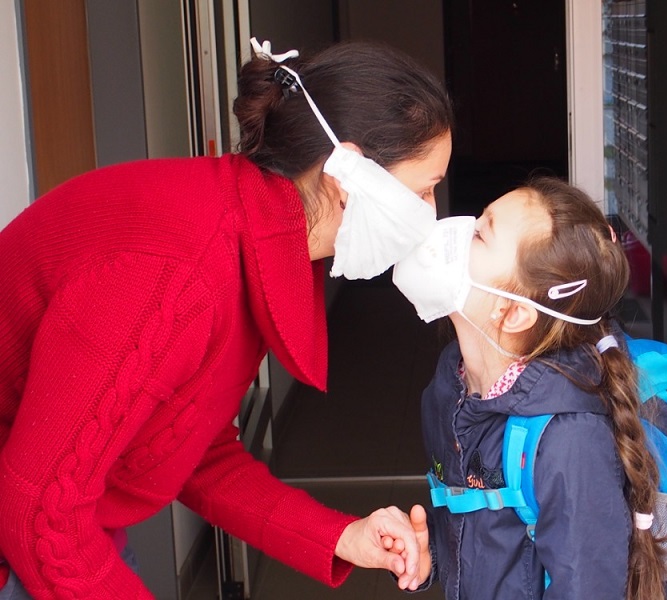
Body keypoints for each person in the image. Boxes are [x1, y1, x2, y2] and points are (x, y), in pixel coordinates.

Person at [0, 37, 453, 599]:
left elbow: (192, 452)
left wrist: (340, 535)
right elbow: (41, 514)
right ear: (349, 176)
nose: (431, 217)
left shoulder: (252, 232)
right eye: (424, 190)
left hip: (64, 519)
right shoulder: (180, 273)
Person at [391, 177, 667, 599]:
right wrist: (437, 552)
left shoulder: (568, 442)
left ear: (514, 312)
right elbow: (490, 532)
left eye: (481, 234)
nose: (456, 229)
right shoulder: (452, 384)